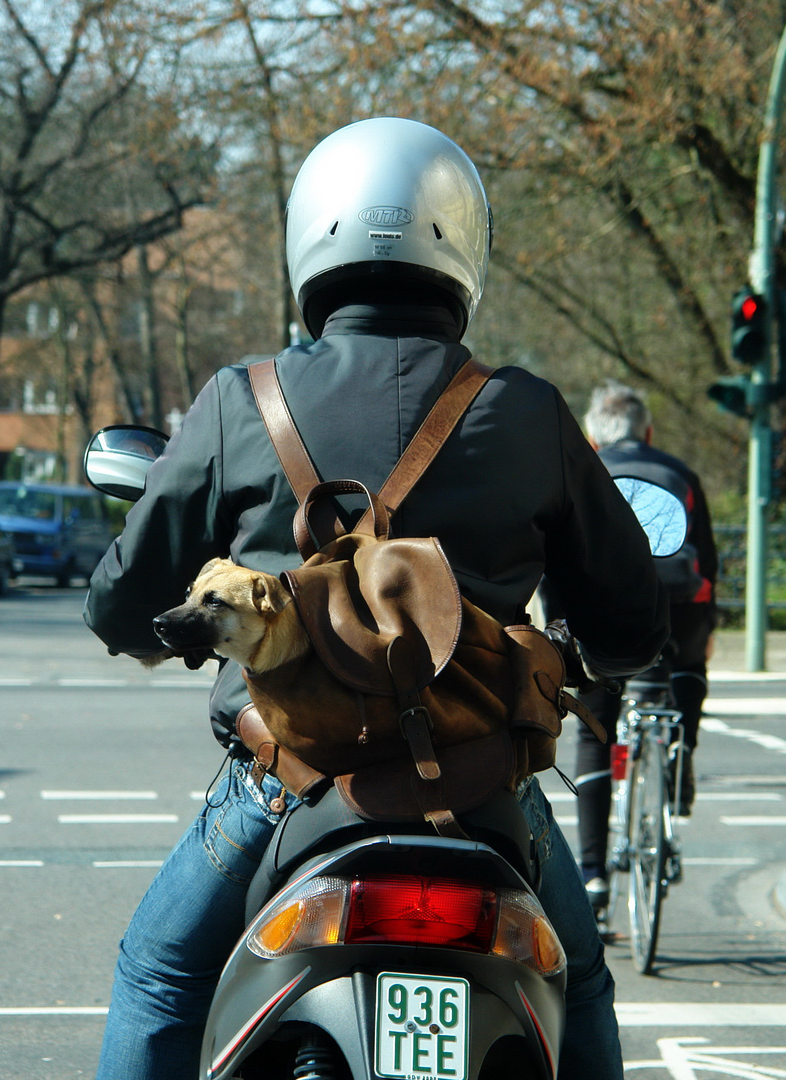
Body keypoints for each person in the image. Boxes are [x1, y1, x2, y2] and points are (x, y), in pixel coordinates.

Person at [84, 118, 669, 1080]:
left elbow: (118, 609)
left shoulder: (240, 399)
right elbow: (632, 626)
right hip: (484, 793)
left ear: (312, 235)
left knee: (159, 978)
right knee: (584, 985)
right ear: (462, 242)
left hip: (287, 786)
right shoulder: (529, 408)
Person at [573, 382, 718, 914]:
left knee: (595, 729)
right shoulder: (682, 474)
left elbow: (560, 556)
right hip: (678, 602)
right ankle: (680, 759)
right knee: (686, 670)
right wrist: (702, 642)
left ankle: (593, 877)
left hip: (607, 607)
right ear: (649, 432)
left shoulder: (582, 471)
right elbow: (711, 569)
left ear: (592, 437)